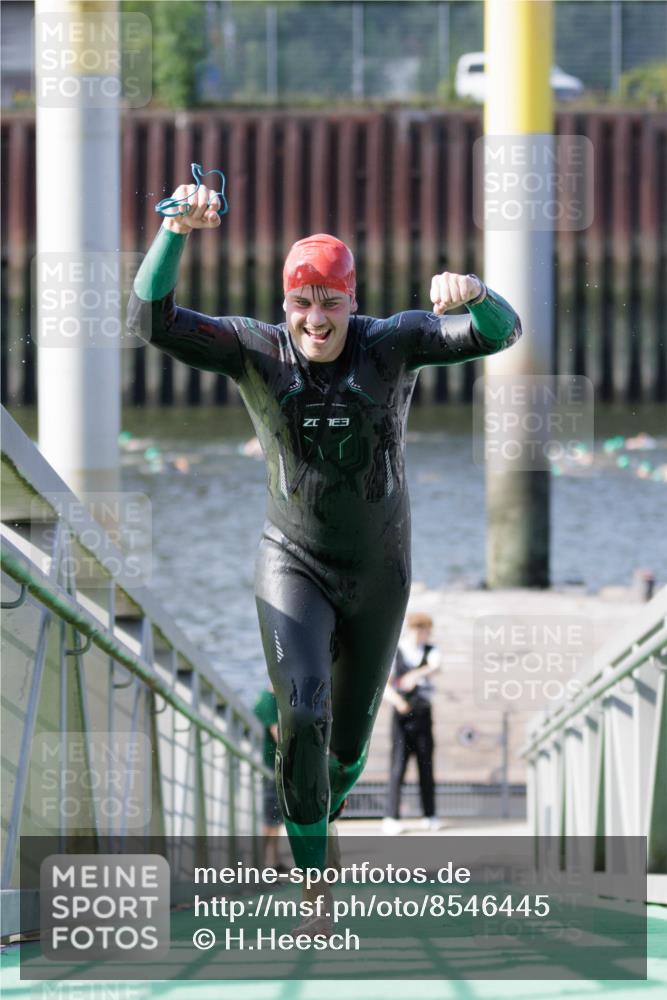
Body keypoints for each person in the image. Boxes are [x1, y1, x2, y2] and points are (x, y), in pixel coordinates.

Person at [127, 177, 522, 934]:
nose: (316, 319)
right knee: (300, 714)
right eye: (301, 304)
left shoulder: (392, 343)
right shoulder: (254, 350)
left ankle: (320, 809)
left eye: (331, 303)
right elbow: (152, 320)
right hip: (292, 560)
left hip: (379, 572)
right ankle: (316, 892)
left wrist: (474, 290)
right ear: (285, 305)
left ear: (352, 301)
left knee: (342, 754)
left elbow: (499, 333)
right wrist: (175, 230)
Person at [382, 612, 441, 834]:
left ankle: (430, 814)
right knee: (398, 767)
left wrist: (414, 675)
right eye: (420, 629)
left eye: (426, 630)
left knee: (426, 766)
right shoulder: (397, 652)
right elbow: (385, 685)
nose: (423, 634)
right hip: (401, 715)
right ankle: (392, 816)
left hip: (423, 714)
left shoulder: (430, 651)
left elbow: (436, 666)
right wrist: (397, 701)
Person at [253, 684, 285, 869]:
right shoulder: (269, 700)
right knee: (270, 815)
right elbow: (277, 734)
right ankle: (266, 862)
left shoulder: (268, 699)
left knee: (275, 812)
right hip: (270, 764)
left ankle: (274, 859)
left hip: (273, 764)